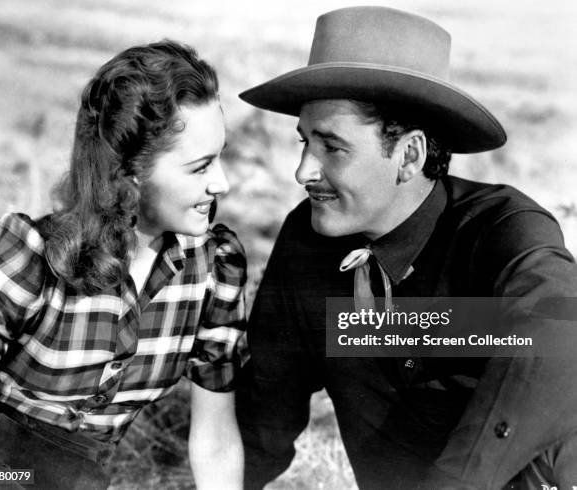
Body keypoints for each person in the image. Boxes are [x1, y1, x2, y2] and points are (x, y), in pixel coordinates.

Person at [236, 6, 577, 489]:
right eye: (303, 143)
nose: (303, 172)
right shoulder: (306, 246)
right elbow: (262, 423)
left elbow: (562, 334)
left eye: (332, 147)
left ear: (410, 155)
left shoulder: (501, 229)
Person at [0, 40, 246, 490]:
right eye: (200, 167)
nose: (223, 183)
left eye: (222, 156)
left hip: (82, 475)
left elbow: (214, 439)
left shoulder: (216, 268)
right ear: (132, 171)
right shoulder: (32, 254)